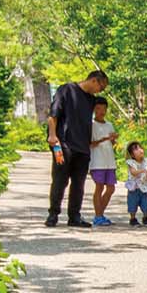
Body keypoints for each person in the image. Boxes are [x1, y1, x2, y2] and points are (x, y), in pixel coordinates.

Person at [47, 68, 106, 228]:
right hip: (63, 144)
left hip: (83, 147)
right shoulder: (66, 89)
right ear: (94, 80)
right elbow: (53, 114)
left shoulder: (91, 99)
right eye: (101, 87)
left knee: (79, 183)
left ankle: (74, 216)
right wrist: (52, 136)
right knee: (60, 180)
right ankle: (53, 214)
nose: (100, 91)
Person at [88, 106, 119, 225]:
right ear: (94, 110)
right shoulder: (91, 124)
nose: (102, 111)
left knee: (111, 188)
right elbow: (90, 143)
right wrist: (103, 139)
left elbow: (112, 143)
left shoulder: (109, 125)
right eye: (98, 109)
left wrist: (113, 139)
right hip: (97, 161)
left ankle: (99, 214)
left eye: (104, 109)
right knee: (99, 187)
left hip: (109, 161)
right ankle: (98, 216)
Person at [121, 140, 147, 225]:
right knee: (132, 204)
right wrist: (143, 171)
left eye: (140, 148)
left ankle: (145, 217)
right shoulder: (131, 162)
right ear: (132, 155)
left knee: (146, 204)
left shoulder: (146, 160)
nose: (140, 150)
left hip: (144, 187)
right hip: (134, 188)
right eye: (136, 149)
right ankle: (132, 218)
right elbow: (133, 172)